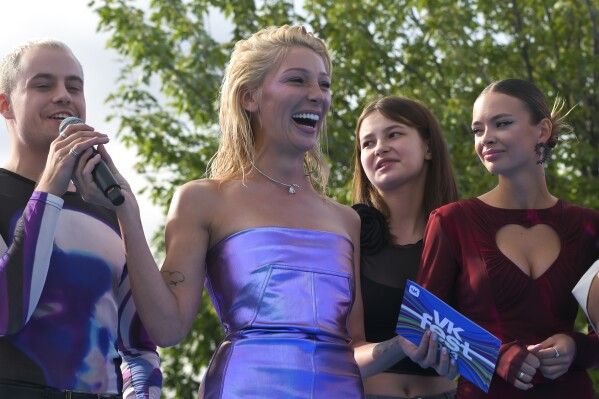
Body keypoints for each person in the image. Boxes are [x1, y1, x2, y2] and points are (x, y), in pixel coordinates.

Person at [73, 25, 454, 399]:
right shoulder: (203, 199)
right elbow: (167, 329)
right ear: (249, 97)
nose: (316, 95)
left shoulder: (346, 219)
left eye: (323, 84)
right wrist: (126, 213)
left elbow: (352, 347)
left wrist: (398, 346)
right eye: (297, 80)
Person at [416, 78, 599, 398]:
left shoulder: (589, 226)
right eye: (477, 130)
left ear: (542, 130)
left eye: (501, 123)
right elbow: (422, 325)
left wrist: (576, 346)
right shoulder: (450, 221)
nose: (486, 138)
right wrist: (494, 356)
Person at [0, 39, 162, 398]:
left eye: (74, 86)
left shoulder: (107, 205)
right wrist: (48, 192)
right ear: (5, 104)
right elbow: (5, 312)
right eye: (43, 85)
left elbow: (139, 347)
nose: (63, 96)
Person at [351, 95, 459, 399]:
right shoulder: (348, 235)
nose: (380, 147)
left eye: (393, 134)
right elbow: (338, 357)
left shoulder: (466, 235)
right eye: (367, 143)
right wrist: (401, 345)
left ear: (428, 146)